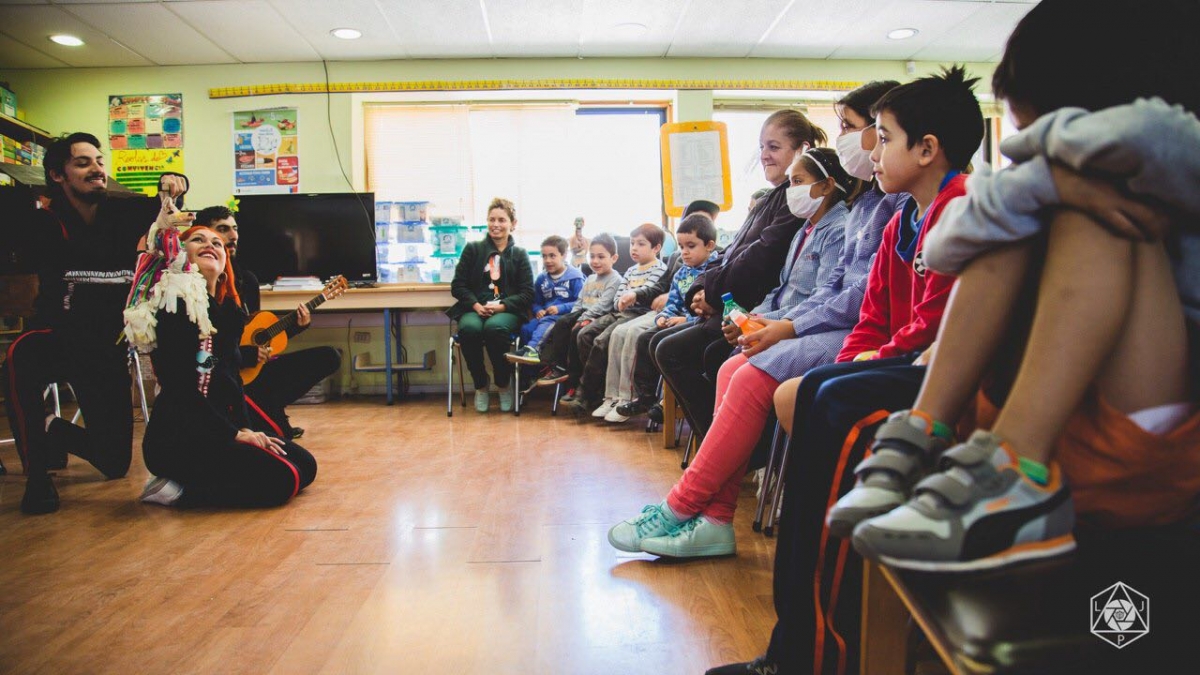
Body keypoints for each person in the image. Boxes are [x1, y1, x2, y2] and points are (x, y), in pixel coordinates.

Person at [839, 0, 1200, 573]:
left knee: (1086, 212)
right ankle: (919, 433)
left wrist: (1055, 177)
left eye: (1036, 131)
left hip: (1141, 444)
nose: (1027, 148)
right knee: (1006, 228)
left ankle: (1019, 468)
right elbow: (943, 249)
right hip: (1041, 421)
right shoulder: (1045, 183)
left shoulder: (1175, 151)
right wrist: (1048, 180)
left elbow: (1141, 134)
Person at [709, 67, 983, 675]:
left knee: (827, 397)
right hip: (901, 360)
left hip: (941, 371)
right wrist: (859, 354)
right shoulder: (901, 216)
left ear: (927, 149)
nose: (870, 151)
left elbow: (938, 323)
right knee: (819, 389)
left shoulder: (960, 206)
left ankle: (813, 652)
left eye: (882, 137)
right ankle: (797, 644)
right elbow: (876, 314)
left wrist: (868, 360)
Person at [606, 148, 857, 557]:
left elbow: (832, 296)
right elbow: (783, 290)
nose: (789, 190)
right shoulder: (804, 231)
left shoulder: (839, 227)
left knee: (741, 373)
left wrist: (780, 327)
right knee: (727, 370)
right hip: (788, 322)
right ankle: (718, 519)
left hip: (821, 331)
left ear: (826, 185)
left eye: (797, 182)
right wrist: (755, 317)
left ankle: (680, 504)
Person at [2, 132, 186, 514]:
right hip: (59, 335)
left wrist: (175, 182)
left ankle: (49, 425)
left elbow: (167, 202)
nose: (97, 169)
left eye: (100, 161)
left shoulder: (122, 212)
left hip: (105, 347)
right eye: (83, 163)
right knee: (20, 356)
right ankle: (37, 479)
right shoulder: (39, 222)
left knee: (115, 464)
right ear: (58, 175)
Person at [652, 109, 825, 438]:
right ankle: (722, 442)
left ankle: (725, 445)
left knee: (671, 350)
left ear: (801, 149)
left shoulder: (795, 201)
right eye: (761, 147)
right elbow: (727, 253)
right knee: (661, 342)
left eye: (773, 147)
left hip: (750, 305)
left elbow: (761, 259)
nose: (764, 156)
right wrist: (699, 290)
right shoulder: (768, 199)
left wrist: (714, 295)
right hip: (725, 300)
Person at [131, 212, 316, 508]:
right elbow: (182, 392)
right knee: (284, 480)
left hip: (220, 424)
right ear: (181, 255)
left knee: (305, 466)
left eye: (217, 242)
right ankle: (174, 491)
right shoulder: (173, 308)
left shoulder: (228, 312)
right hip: (180, 436)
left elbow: (231, 382)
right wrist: (234, 434)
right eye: (198, 239)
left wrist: (249, 431)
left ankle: (203, 479)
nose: (211, 244)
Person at [195, 206, 342, 439]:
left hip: (252, 376)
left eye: (234, 229)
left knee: (329, 356)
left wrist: (296, 326)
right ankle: (266, 413)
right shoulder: (189, 290)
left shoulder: (247, 281)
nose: (232, 236)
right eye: (223, 229)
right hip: (221, 384)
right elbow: (198, 359)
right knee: (283, 445)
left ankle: (269, 409)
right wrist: (243, 356)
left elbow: (255, 334)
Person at [605, 214, 718, 423]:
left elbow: (712, 313)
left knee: (665, 346)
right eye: (682, 246)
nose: (684, 252)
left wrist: (684, 320)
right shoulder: (681, 273)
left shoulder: (716, 271)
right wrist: (664, 317)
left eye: (691, 246)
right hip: (676, 321)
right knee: (646, 337)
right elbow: (672, 302)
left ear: (709, 245)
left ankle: (668, 401)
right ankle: (646, 396)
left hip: (696, 324)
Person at [564, 223, 667, 416]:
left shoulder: (659, 269)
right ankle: (598, 389)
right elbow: (619, 297)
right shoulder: (630, 270)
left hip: (637, 314)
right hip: (619, 312)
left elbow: (647, 295)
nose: (634, 248)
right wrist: (622, 300)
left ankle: (585, 393)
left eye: (640, 244)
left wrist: (630, 298)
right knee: (584, 335)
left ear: (656, 248)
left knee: (601, 341)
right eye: (632, 243)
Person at [446, 198, 534, 413]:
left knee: (495, 329)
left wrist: (502, 306)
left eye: (502, 220)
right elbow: (457, 285)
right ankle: (480, 384)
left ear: (512, 223)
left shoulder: (520, 255)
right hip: (474, 308)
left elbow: (527, 293)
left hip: (507, 310)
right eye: (492, 219)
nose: (496, 224)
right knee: (469, 329)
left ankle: (503, 384)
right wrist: (476, 305)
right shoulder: (473, 249)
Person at [534, 235, 623, 384]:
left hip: (599, 316)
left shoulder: (615, 279)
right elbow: (579, 302)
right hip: (583, 313)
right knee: (562, 323)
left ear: (613, 258)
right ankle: (560, 368)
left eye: (601, 257)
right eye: (592, 256)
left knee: (576, 331)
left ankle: (576, 378)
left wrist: (581, 320)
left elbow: (604, 305)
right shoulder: (590, 279)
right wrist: (573, 316)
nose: (595, 261)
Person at [505, 235, 584, 365]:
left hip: (566, 318)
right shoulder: (542, 278)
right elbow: (536, 301)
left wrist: (560, 308)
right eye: (544, 256)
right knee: (526, 329)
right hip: (545, 316)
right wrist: (538, 310)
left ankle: (533, 350)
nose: (547, 260)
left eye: (552, 256)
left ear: (564, 255)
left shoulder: (575, 277)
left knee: (548, 322)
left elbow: (581, 303)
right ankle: (529, 372)